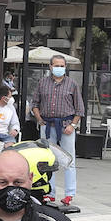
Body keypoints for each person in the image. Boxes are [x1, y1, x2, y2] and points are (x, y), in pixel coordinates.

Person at [29, 54, 85, 207]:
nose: (59, 68)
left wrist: (72, 125)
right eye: (56, 65)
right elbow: (35, 103)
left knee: (69, 160)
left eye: (62, 65)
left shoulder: (72, 84)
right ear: (50, 66)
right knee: (47, 160)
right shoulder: (43, 83)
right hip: (47, 125)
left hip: (66, 125)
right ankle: (50, 192)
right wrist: (39, 119)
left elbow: (79, 109)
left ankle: (69, 194)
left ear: (65, 67)